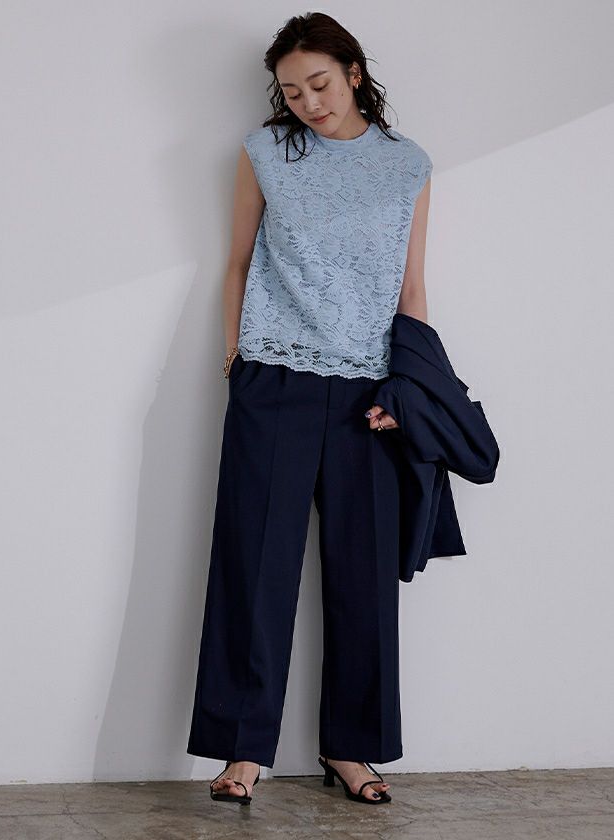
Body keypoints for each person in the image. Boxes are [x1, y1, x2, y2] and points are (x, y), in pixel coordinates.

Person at [187, 11, 434, 806]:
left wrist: (409, 389)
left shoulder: (407, 164)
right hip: (274, 379)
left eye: (319, 84)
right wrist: (236, 354)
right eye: (292, 91)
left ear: (354, 74)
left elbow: (411, 287)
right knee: (253, 564)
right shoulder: (267, 151)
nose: (308, 102)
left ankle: (351, 749)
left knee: (365, 573)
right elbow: (237, 260)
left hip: (371, 394)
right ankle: (243, 750)